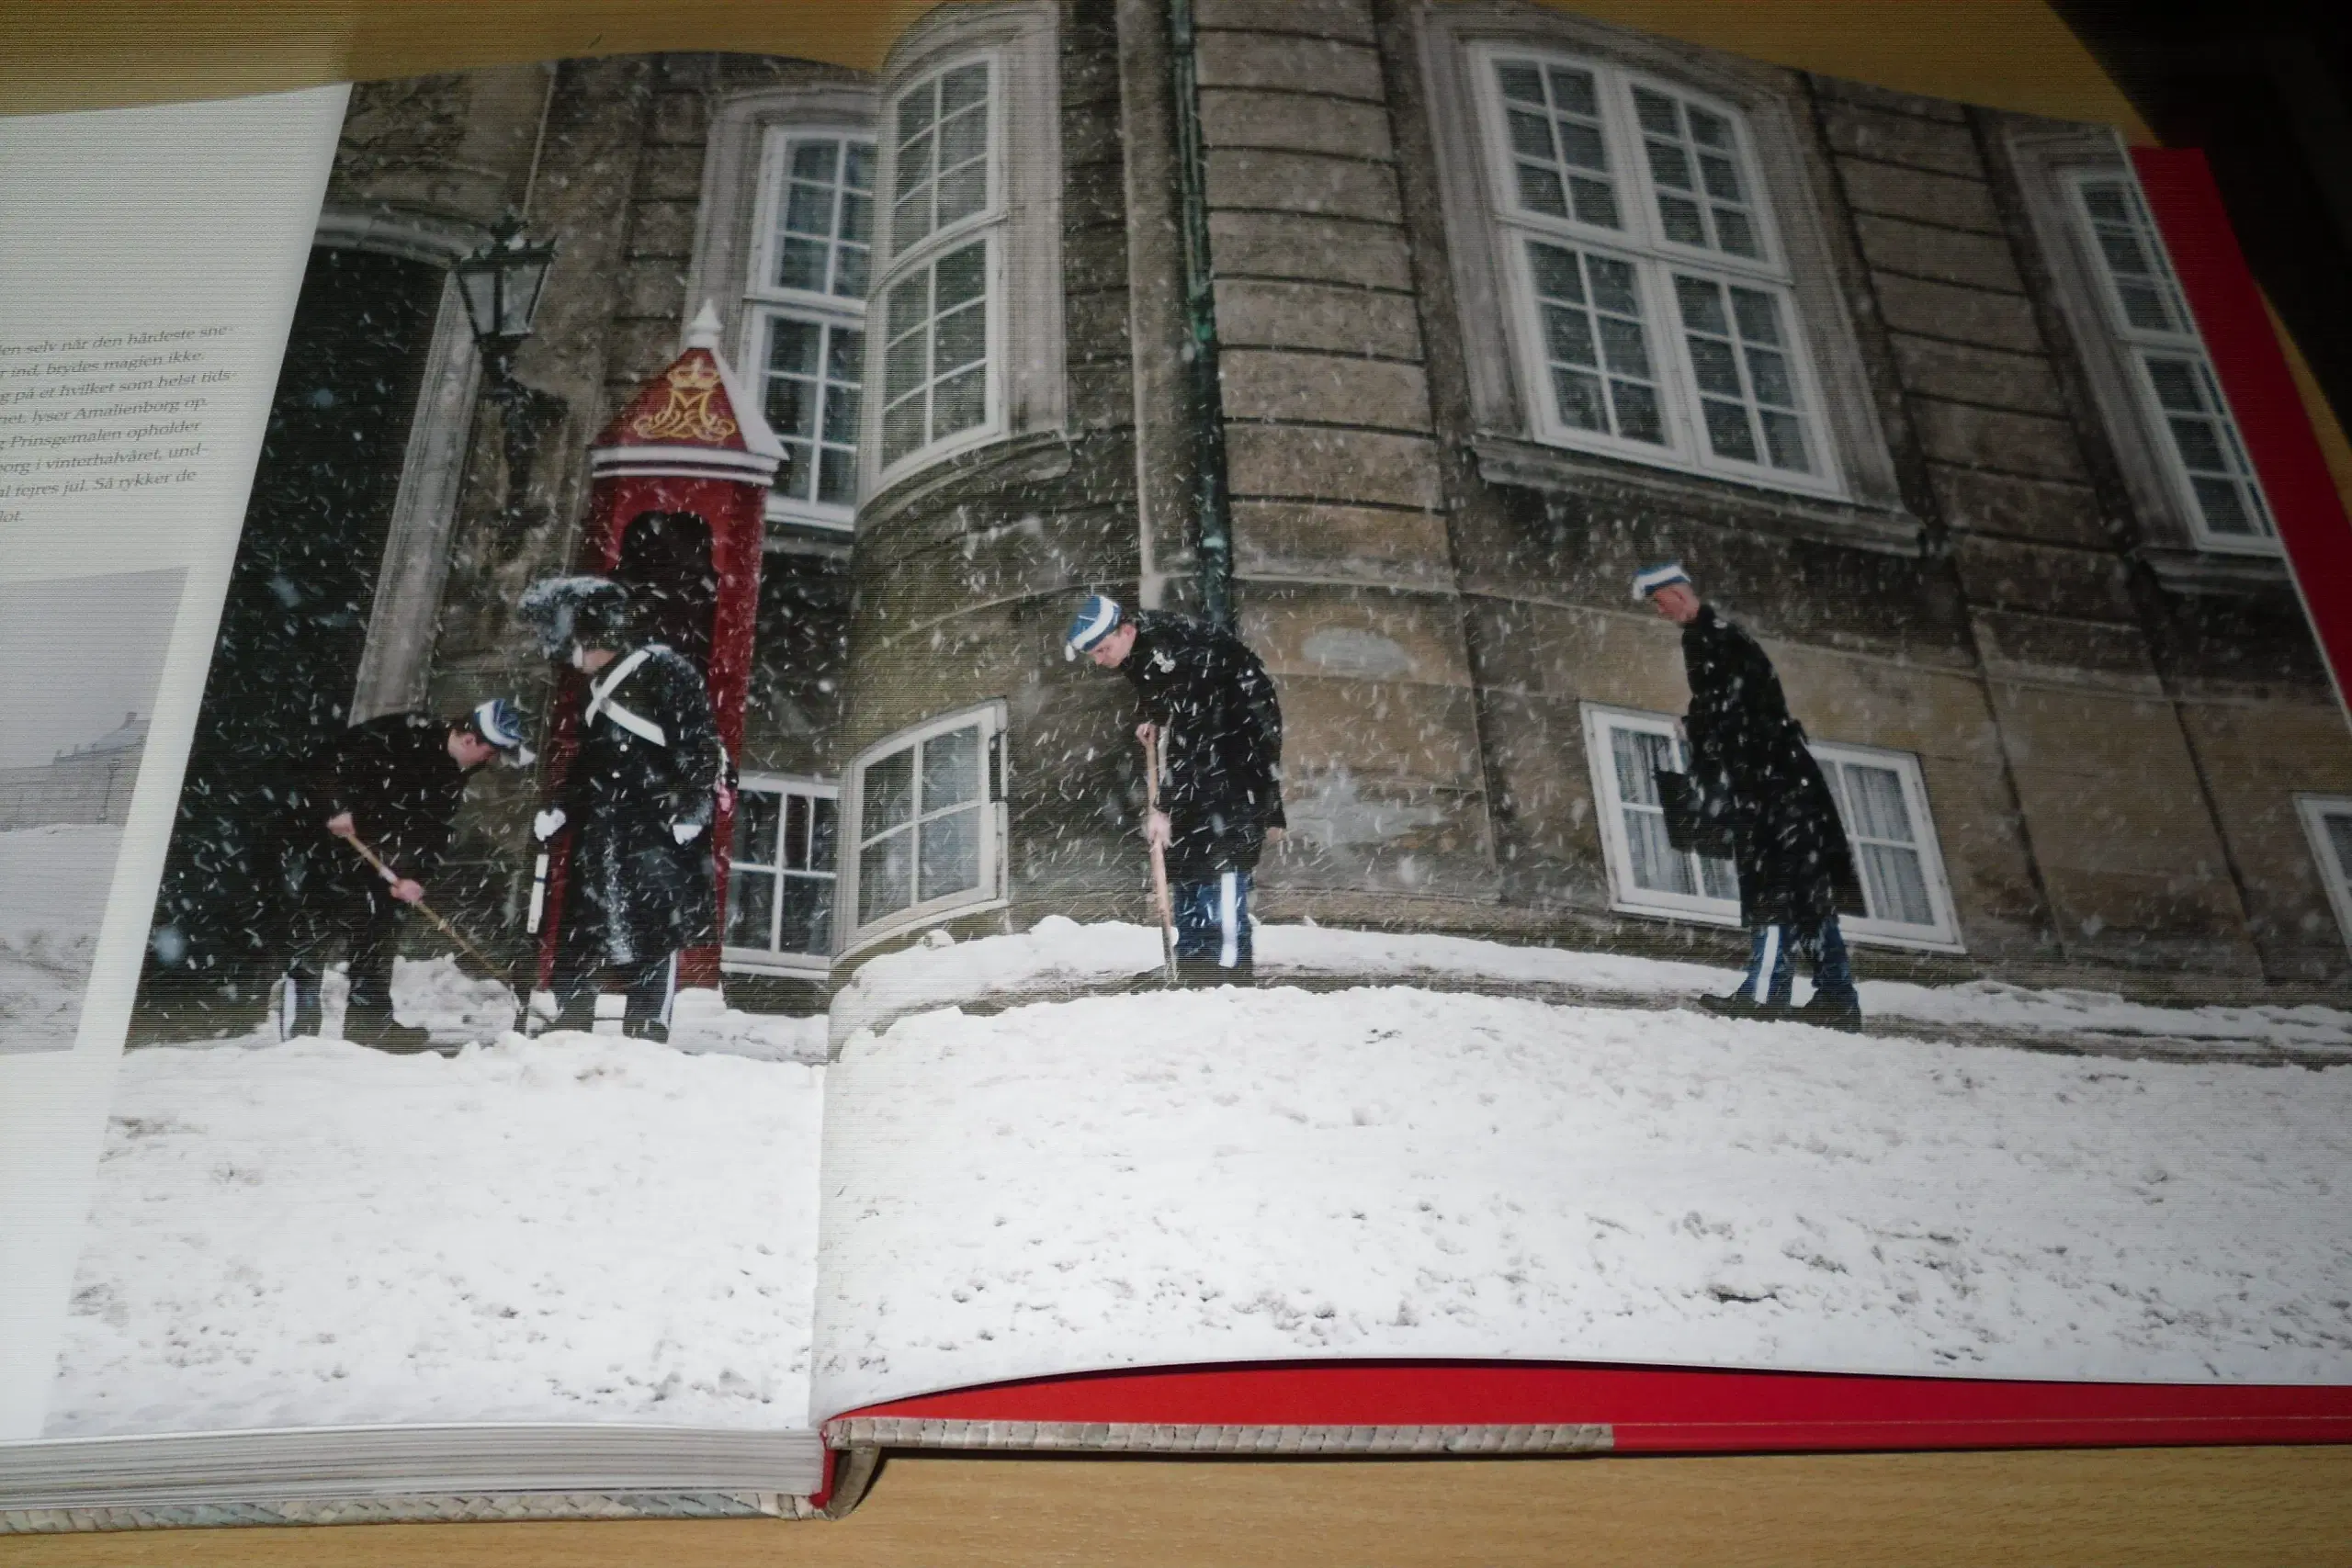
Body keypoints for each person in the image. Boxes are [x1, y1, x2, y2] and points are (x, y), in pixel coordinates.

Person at [1635, 560, 1866, 1031]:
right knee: (1808, 892)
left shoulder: (1709, 639)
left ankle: (1766, 993)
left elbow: (1733, 712)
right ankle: (1837, 996)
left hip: (1769, 789)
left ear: (1677, 594)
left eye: (1660, 602)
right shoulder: (1725, 638)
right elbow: (1744, 706)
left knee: (1772, 887)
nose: (1661, 612)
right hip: (1789, 786)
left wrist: (1696, 730)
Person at [518, 575, 726, 1041]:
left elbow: (699, 745)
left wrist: (691, 809)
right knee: (584, 930)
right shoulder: (597, 692)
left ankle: (646, 1026)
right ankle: (570, 1024)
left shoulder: (665, 670)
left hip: (653, 827)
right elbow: (591, 764)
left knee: (651, 932)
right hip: (604, 830)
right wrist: (563, 807)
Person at [277, 697, 531, 1049]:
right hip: (332, 847)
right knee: (317, 929)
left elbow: (432, 830)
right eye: (491, 752)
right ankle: (297, 1029)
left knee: (378, 934)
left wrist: (415, 878)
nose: (491, 761)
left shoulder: (452, 772)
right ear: (471, 739)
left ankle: (370, 1025)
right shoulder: (400, 734)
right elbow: (327, 763)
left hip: (383, 861)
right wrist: (335, 807)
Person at [1068, 593, 1285, 986]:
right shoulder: (1139, 653)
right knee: (1186, 856)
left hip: (1237, 752)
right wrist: (1154, 716)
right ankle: (1192, 961)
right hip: (1208, 747)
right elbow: (1157, 692)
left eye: (1103, 649)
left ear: (1127, 630)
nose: (1100, 660)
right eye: (1093, 654)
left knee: (1221, 855)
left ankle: (1226, 970)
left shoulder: (1181, 654)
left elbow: (1196, 737)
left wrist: (1163, 806)